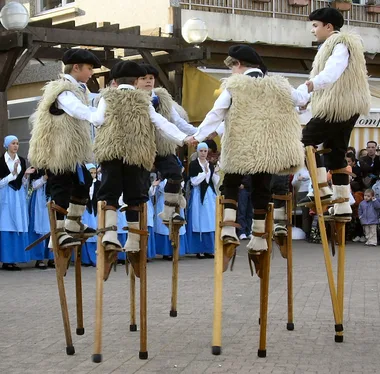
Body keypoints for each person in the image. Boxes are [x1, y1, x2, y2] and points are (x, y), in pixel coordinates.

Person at [188, 44, 306, 264]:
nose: (232, 72)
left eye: (232, 67)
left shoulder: (235, 85)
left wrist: (199, 135)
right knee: (262, 188)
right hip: (268, 149)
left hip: (242, 145)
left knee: (231, 182)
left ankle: (229, 230)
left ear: (238, 65)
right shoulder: (279, 84)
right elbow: (300, 100)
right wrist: (310, 86)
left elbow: (217, 113)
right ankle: (259, 238)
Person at [90, 61, 191, 274]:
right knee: (135, 197)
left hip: (112, 153)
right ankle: (134, 242)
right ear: (136, 81)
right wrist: (183, 138)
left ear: (115, 82)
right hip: (136, 155)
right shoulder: (143, 100)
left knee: (110, 193)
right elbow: (161, 123)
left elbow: (97, 120)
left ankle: (110, 235)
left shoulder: (107, 97)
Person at [298, 8, 371, 222]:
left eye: (315, 25)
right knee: (336, 153)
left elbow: (331, 72)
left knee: (303, 141)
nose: (313, 30)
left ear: (328, 27)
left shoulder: (339, 44)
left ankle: (321, 189)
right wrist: (309, 99)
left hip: (337, 107)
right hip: (346, 106)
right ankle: (342, 204)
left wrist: (312, 85)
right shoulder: (340, 44)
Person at [28, 49, 102, 248]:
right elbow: (76, 109)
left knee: (84, 182)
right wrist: (95, 116)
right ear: (76, 67)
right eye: (89, 68)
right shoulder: (63, 89)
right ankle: (57, 234)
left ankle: (73, 223)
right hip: (57, 152)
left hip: (71, 153)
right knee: (60, 188)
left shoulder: (80, 89)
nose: (91, 73)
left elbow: (93, 103)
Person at [136, 63, 197, 224]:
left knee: (175, 173)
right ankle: (137, 222)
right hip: (140, 147)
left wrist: (198, 133)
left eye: (151, 78)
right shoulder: (132, 98)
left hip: (162, 144)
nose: (148, 81)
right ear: (136, 81)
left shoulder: (161, 99)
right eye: (144, 78)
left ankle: (169, 212)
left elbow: (177, 121)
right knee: (139, 184)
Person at [0, 135, 35, 270]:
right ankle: (6, 260)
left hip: (18, 196)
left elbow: (24, 183)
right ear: (7, 145)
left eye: (17, 143)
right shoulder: (1, 161)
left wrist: (25, 175)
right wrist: (12, 174)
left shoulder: (21, 160)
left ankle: (15, 258)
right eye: (13, 143)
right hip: (6, 196)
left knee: (18, 223)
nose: (16, 146)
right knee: (6, 223)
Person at [187, 142, 220, 258]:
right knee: (199, 221)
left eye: (205, 151)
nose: (203, 153)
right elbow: (194, 181)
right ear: (197, 151)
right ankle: (198, 249)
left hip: (209, 196)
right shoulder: (194, 164)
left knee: (209, 221)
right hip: (198, 195)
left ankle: (209, 248)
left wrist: (215, 173)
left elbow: (213, 181)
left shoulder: (210, 164)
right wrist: (204, 173)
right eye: (201, 151)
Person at [154, 178, 187, 260]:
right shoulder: (161, 179)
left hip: (176, 201)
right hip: (164, 202)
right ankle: (166, 252)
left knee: (177, 224)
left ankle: (176, 251)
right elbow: (161, 188)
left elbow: (181, 186)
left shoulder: (179, 178)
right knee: (165, 227)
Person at [28, 169, 54, 269]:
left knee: (52, 227)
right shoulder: (36, 169)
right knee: (40, 228)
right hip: (39, 200)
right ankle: (40, 258)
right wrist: (44, 178)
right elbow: (32, 186)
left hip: (52, 199)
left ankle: (52, 258)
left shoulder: (55, 167)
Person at [80, 163, 100, 266]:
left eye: (94, 173)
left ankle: (95, 258)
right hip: (86, 211)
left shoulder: (98, 184)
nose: (93, 175)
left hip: (94, 212)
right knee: (85, 232)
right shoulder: (83, 183)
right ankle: (85, 259)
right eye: (90, 173)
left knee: (95, 232)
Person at [236, 175, 253, 240]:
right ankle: (241, 231)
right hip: (243, 188)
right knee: (242, 210)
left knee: (250, 212)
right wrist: (239, 184)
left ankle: (248, 231)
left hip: (251, 188)